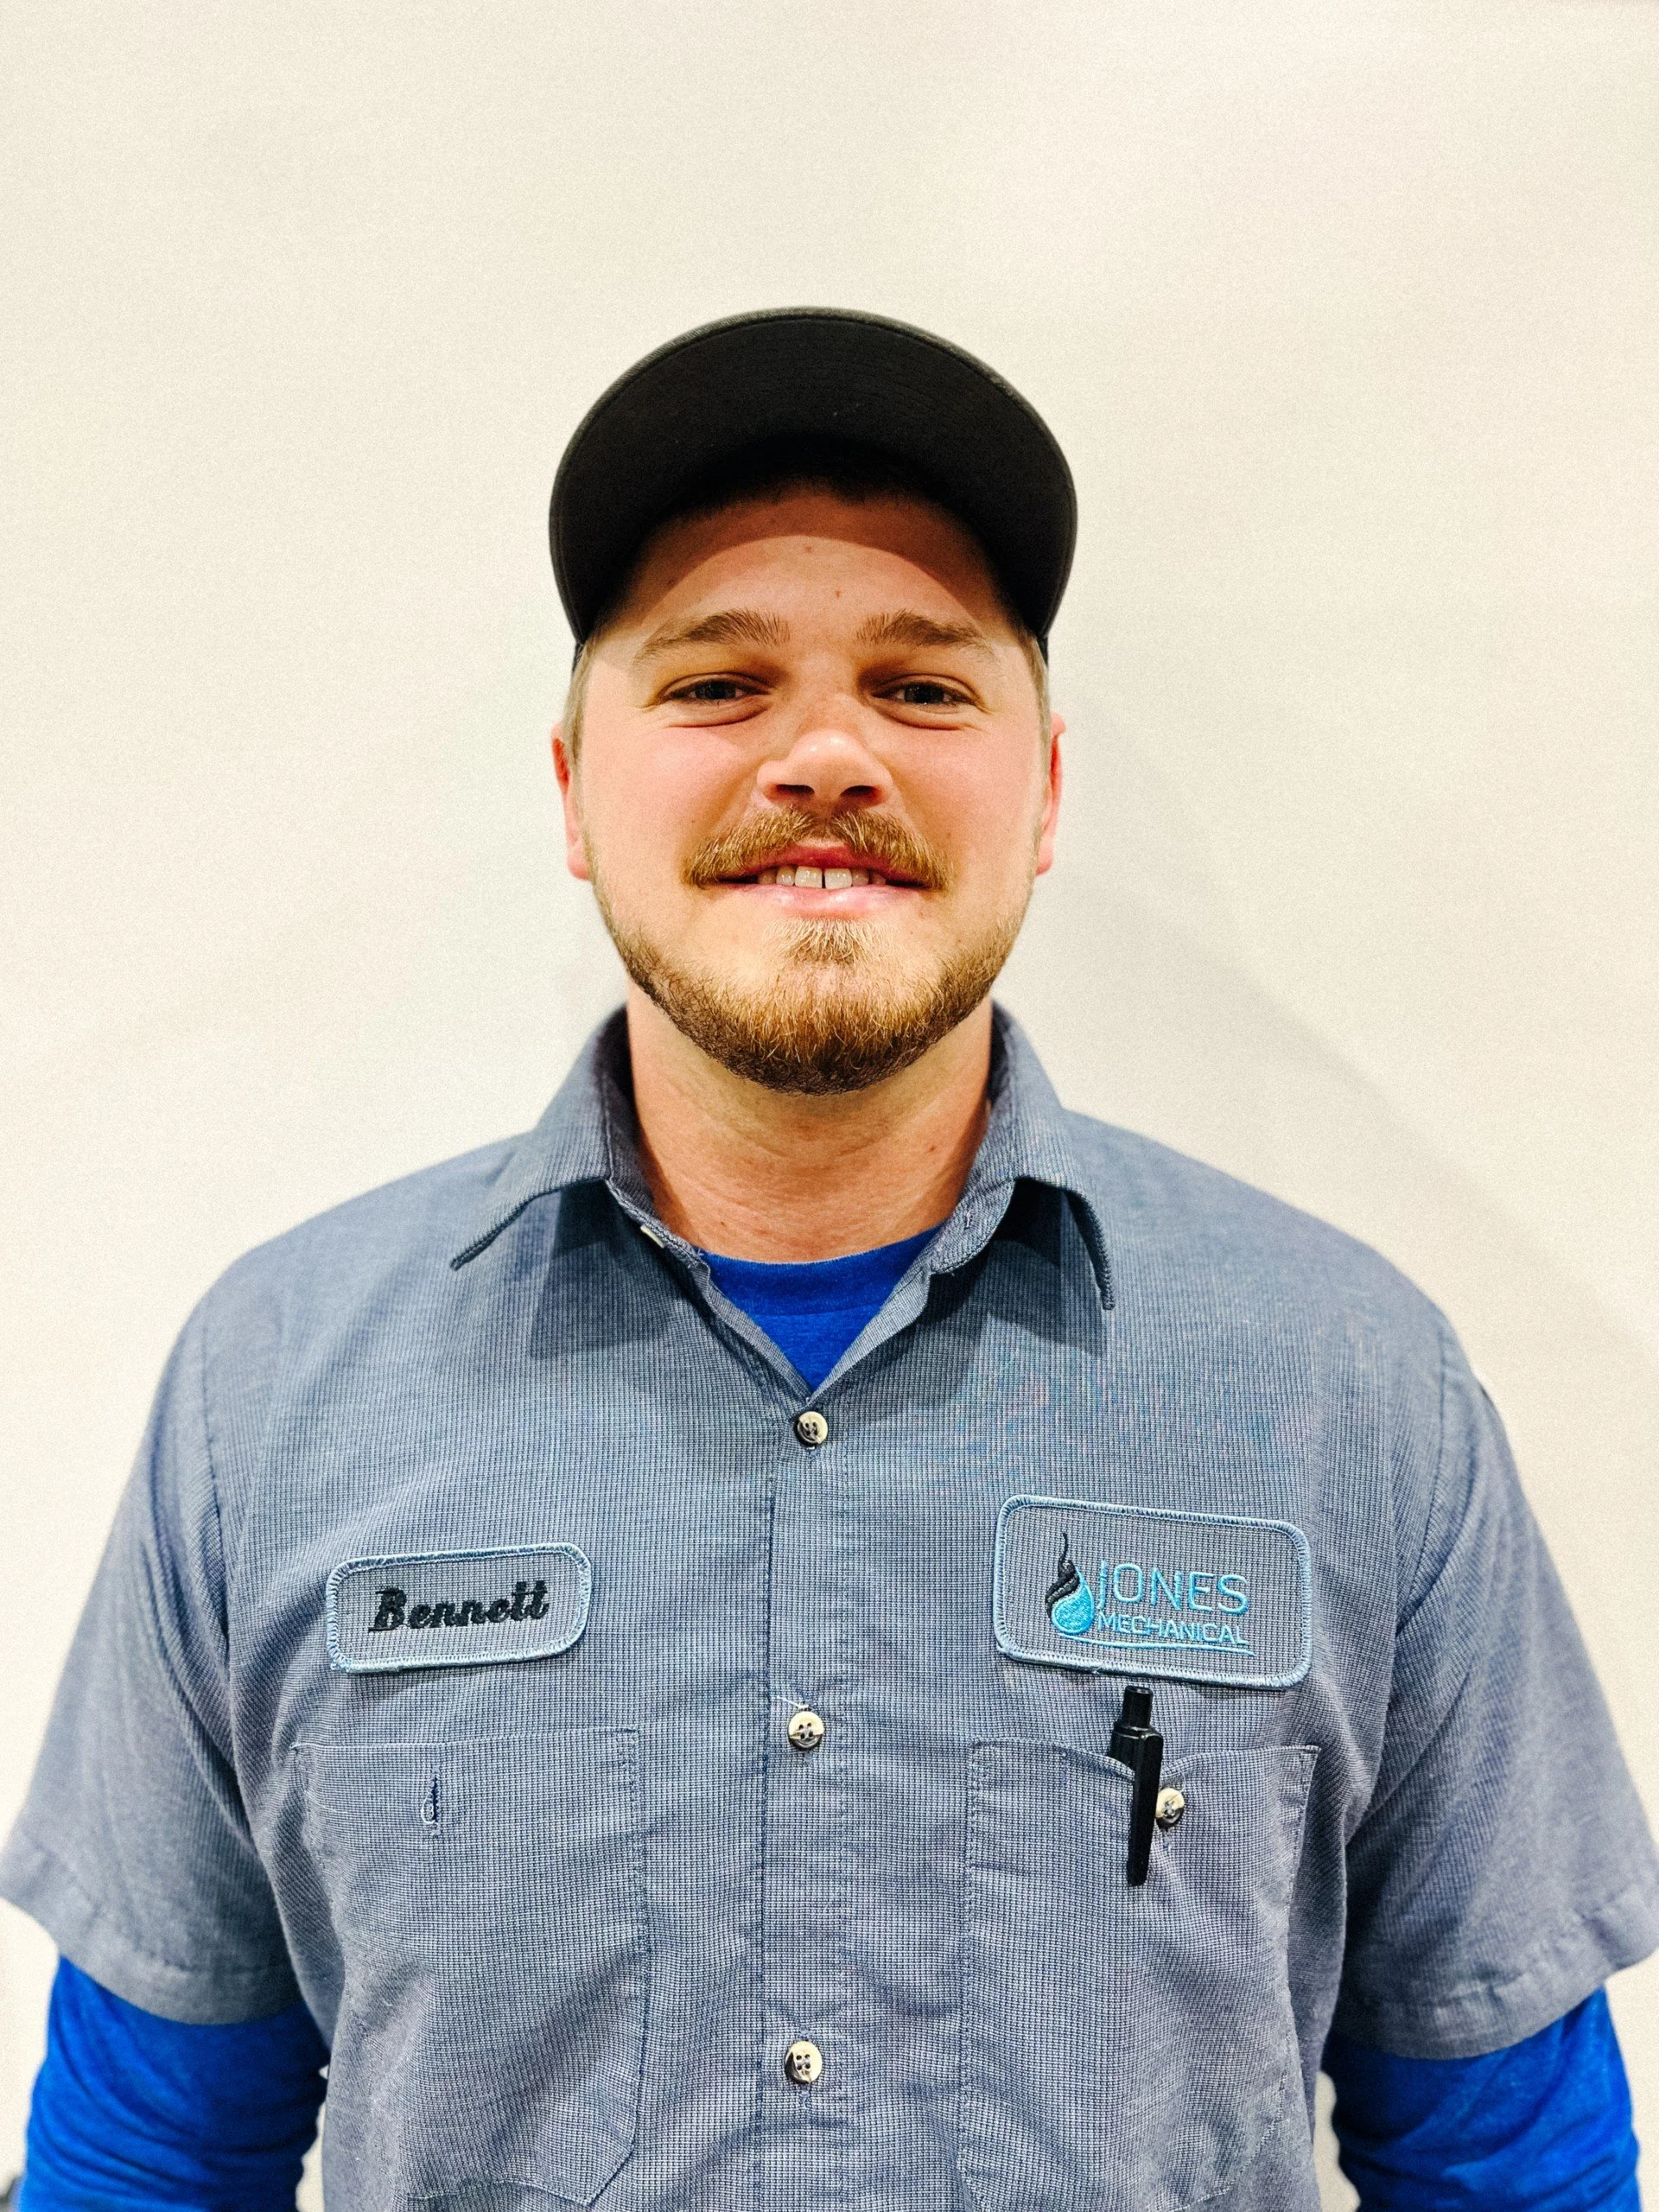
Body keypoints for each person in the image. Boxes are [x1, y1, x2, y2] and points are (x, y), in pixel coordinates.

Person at [3, 308, 1654, 2212]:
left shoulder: (1348, 1387)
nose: (823, 753)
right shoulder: (275, 1387)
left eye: (924, 687)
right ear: (569, 789)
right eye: (717, 682)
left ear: (1042, 794)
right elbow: (145, 2153)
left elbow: (1511, 2162)